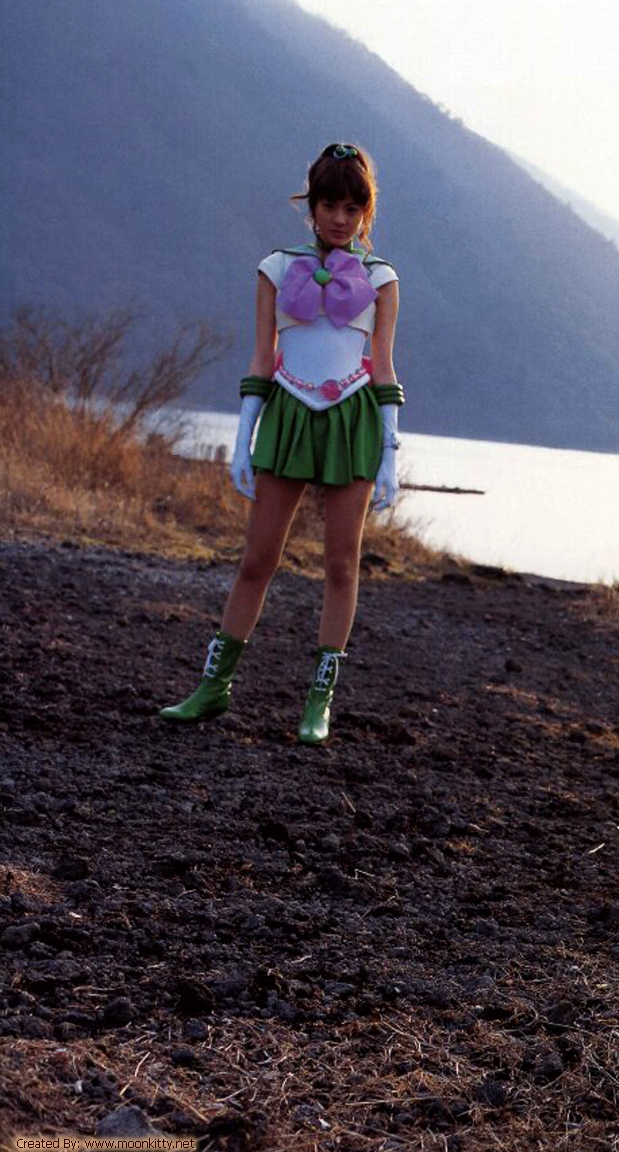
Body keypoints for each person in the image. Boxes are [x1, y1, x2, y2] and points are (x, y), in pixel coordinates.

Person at [160, 142, 404, 745]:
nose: (339, 218)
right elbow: (262, 356)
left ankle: (319, 701)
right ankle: (213, 687)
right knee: (256, 559)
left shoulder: (381, 279)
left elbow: (384, 369)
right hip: (288, 415)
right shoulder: (275, 268)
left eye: (352, 206)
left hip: (353, 421)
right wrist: (242, 442)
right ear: (312, 204)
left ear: (365, 212)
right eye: (329, 203)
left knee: (342, 564)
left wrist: (392, 458)